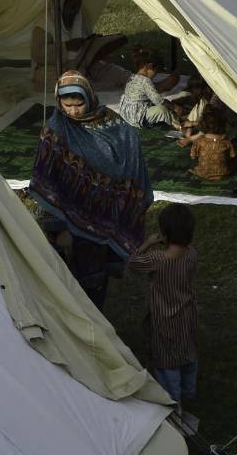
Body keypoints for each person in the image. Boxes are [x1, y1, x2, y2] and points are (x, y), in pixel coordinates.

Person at [31, 71, 154, 309]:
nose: (74, 111)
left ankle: (95, 320)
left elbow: (127, 141)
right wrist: (57, 226)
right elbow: (49, 179)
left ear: (89, 98)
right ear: (59, 102)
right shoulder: (56, 129)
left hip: (102, 217)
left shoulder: (110, 123)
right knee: (65, 281)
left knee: (94, 278)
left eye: (79, 104)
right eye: (67, 105)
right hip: (65, 222)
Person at [130, 204, 199, 418]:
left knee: (167, 364)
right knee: (188, 356)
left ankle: (173, 404)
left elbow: (133, 262)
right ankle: (188, 392)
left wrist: (148, 243)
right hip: (187, 317)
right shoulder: (192, 254)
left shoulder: (156, 260)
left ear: (165, 235)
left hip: (164, 322)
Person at [33, 0, 129, 86]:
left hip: (82, 65)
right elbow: (37, 54)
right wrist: (66, 46)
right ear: (62, 4)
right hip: (55, 70)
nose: (75, 10)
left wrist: (94, 43)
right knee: (77, 86)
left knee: (117, 74)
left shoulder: (80, 15)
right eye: (72, 6)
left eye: (78, 5)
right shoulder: (45, 23)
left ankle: (136, 82)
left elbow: (86, 41)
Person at [119, 47, 181, 129]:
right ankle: (178, 124)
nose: (155, 75)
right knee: (161, 110)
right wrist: (174, 106)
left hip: (125, 114)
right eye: (156, 71)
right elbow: (158, 100)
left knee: (157, 105)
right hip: (137, 117)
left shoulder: (133, 77)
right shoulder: (146, 81)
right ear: (150, 67)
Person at [188, 110, 236, 181]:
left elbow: (193, 156)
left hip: (203, 173)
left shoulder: (198, 141)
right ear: (222, 125)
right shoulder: (226, 141)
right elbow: (233, 155)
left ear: (202, 125)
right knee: (232, 163)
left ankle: (204, 170)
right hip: (223, 173)